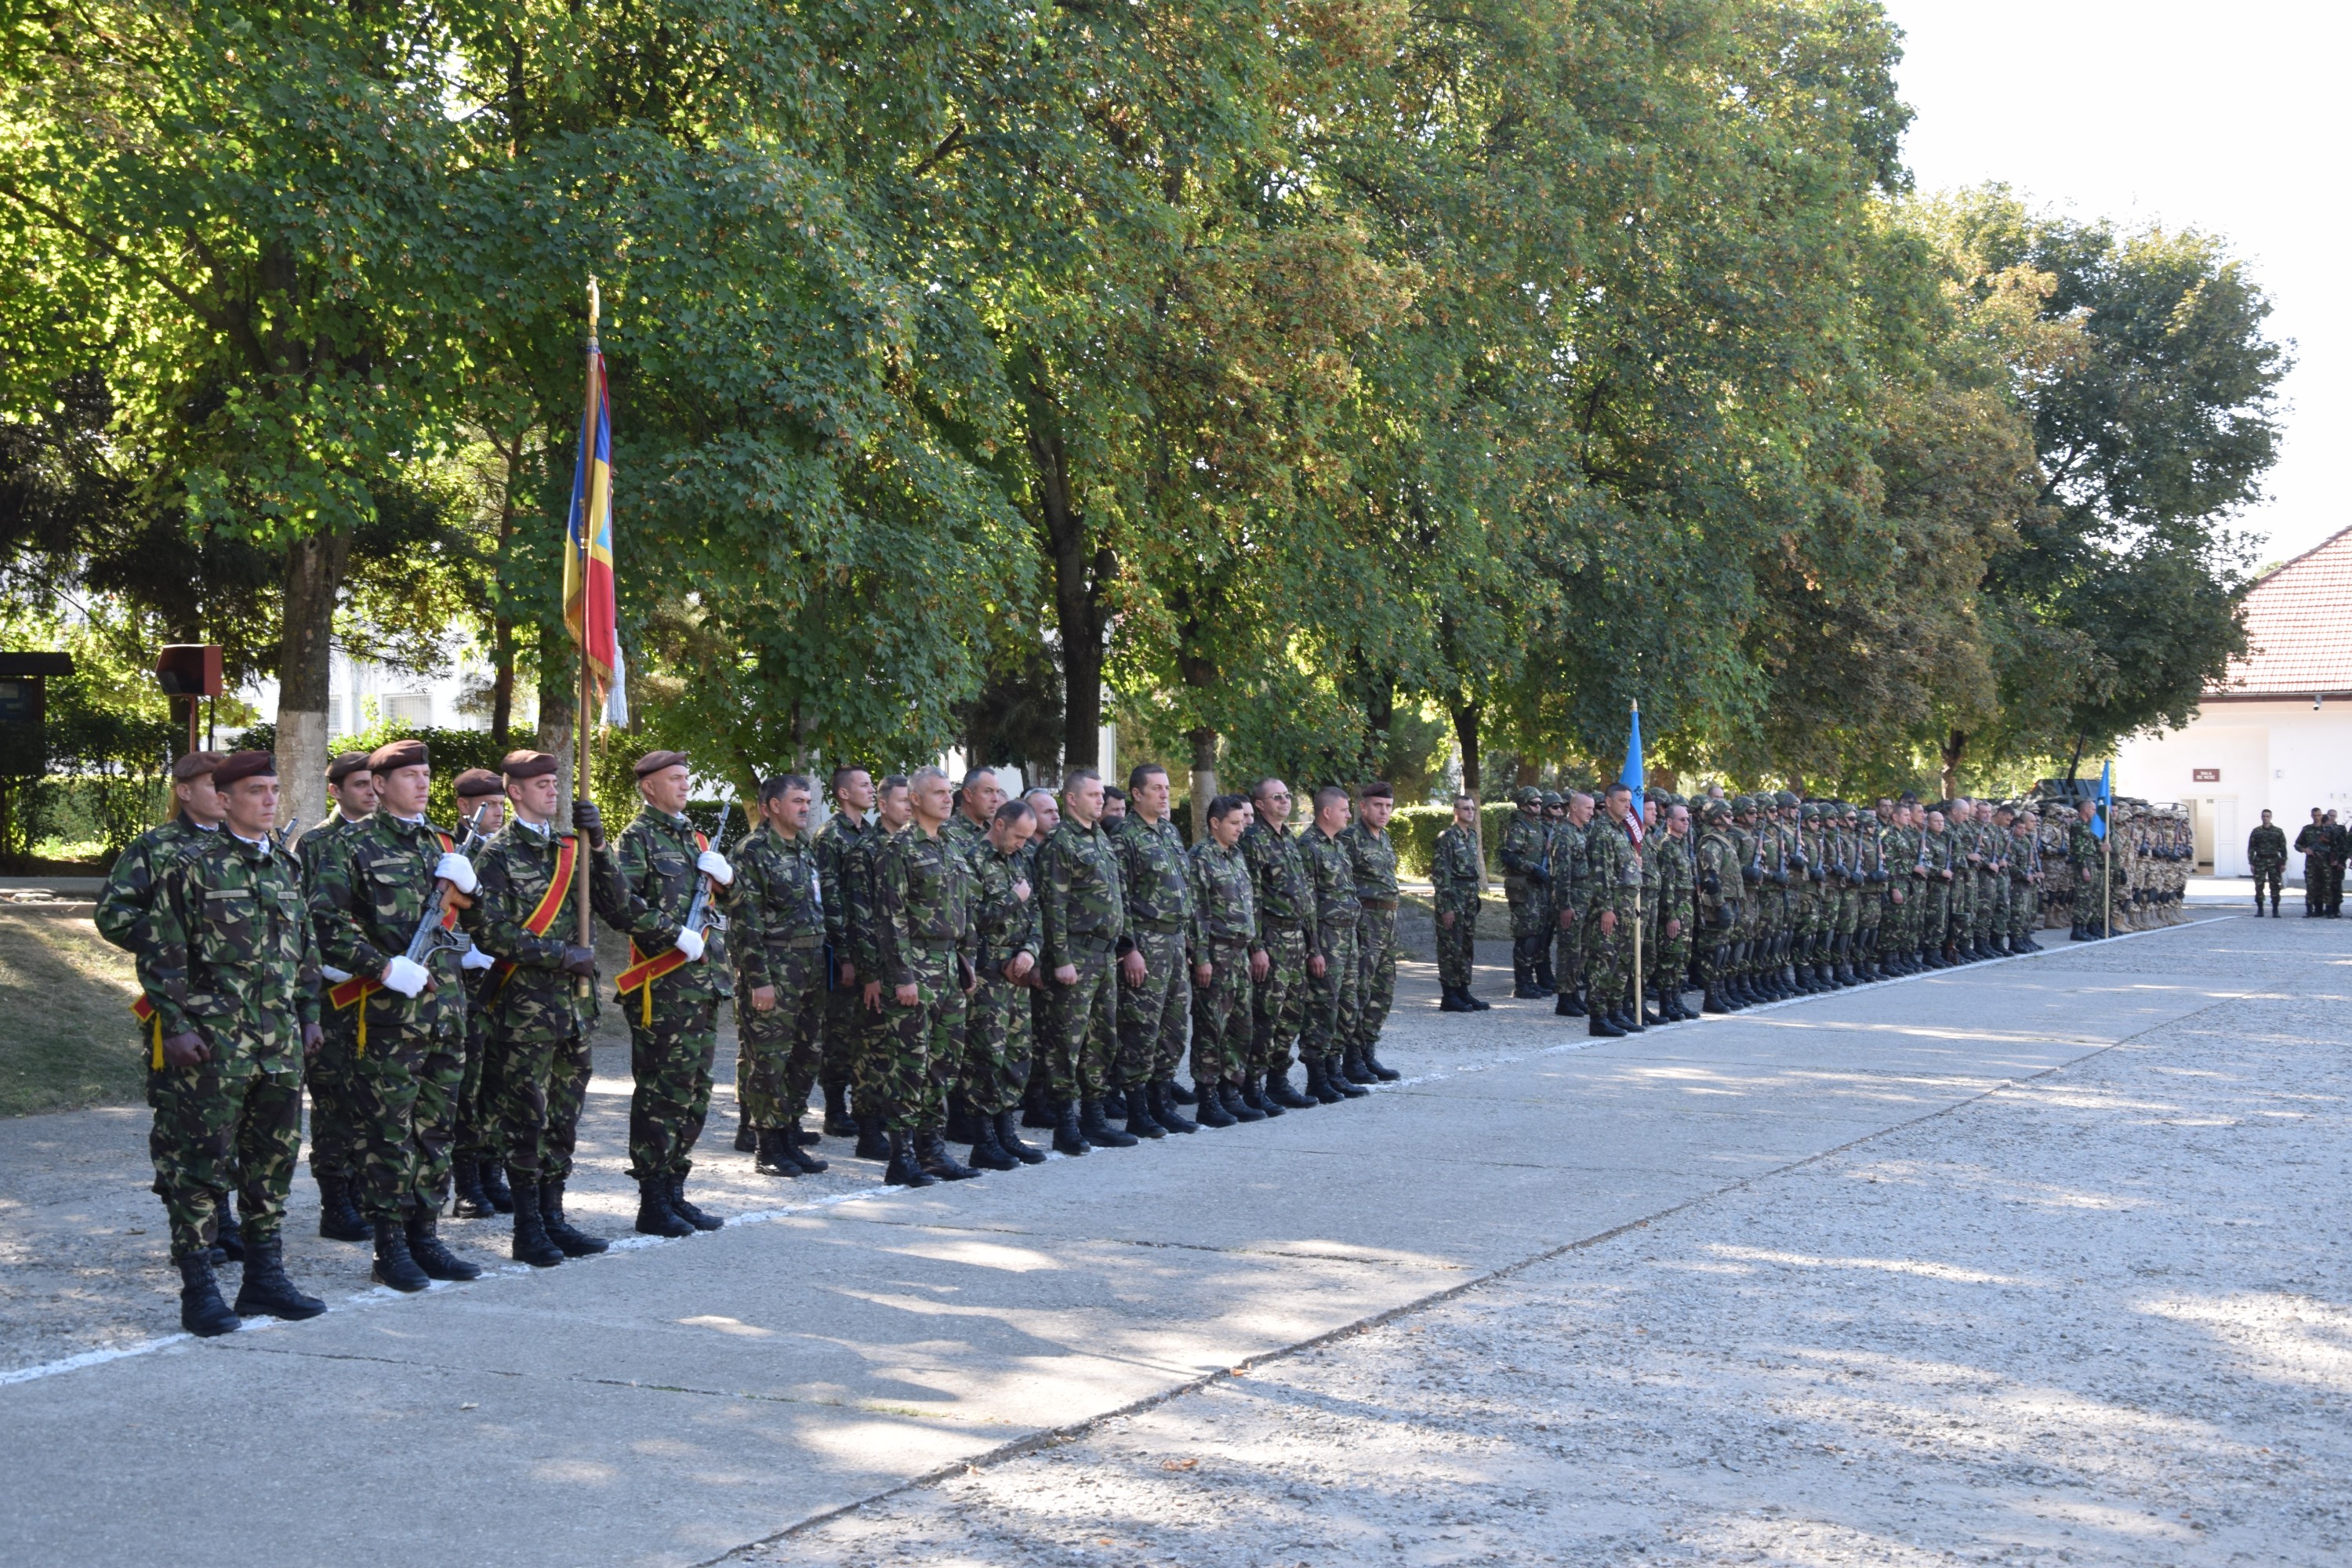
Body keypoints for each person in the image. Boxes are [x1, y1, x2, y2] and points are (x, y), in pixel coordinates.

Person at [137, 750, 327, 1336]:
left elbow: (306, 950)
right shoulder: (191, 865)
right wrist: (177, 1025)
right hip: (214, 1045)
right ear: (224, 801)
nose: (270, 799)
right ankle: (200, 1290)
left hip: (278, 1045)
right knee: (199, 1166)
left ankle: (264, 1280)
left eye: (274, 790)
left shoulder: (286, 868)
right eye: (255, 791)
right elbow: (161, 953)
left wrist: (311, 1015)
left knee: (271, 1164)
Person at [464, 750, 656, 1265]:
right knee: (525, 1121)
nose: (553, 791)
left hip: (574, 1010)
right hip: (523, 1011)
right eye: (542, 784)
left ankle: (554, 1217)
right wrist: (558, 955)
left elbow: (618, 908)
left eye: (555, 783)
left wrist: (599, 846)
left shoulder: (572, 848)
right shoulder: (498, 856)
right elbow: (488, 930)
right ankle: (527, 1228)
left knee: (563, 1123)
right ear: (516, 792)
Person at [310, 738, 483, 1291]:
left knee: (437, 1130)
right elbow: (323, 928)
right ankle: (390, 1247)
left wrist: (472, 891)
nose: (423, 783)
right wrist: (381, 968)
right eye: (409, 776)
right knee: (390, 1133)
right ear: (379, 787)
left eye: (427, 774)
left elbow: (477, 921)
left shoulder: (444, 845)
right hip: (388, 1018)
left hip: (447, 1012)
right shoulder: (351, 847)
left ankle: (425, 1236)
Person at [96, 750, 231, 1254]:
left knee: (237, 1118)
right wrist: (176, 943)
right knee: (185, 1121)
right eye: (213, 782)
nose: (223, 791)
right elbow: (113, 915)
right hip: (180, 1003)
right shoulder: (156, 847)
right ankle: (198, 1225)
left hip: (242, 1009)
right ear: (184, 791)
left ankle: (227, 1216)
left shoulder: (249, 846)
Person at [612, 750, 735, 1236]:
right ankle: (652, 1198)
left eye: (687, 777)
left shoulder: (697, 839)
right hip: (662, 987)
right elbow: (623, 906)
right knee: (661, 1094)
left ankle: (676, 1189)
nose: (685, 785)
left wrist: (728, 877)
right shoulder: (636, 840)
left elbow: (735, 902)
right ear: (649, 787)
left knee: (695, 1094)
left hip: (704, 985)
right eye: (675, 779)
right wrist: (670, 933)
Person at [871, 765, 982, 1185]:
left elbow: (964, 909)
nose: (947, 798)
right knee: (909, 1064)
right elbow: (890, 918)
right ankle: (901, 1157)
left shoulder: (951, 845)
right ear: (914, 800)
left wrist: (966, 961)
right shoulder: (899, 849)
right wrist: (902, 976)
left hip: (950, 966)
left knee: (944, 1064)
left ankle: (931, 1149)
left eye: (949, 792)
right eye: (937, 793)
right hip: (915, 965)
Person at [726, 774, 832, 1180]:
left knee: (806, 1056)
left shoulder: (804, 848)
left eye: (808, 801)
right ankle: (766, 1145)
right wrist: (758, 980)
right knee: (769, 1060)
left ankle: (789, 1135)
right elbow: (744, 923)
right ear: (771, 806)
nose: (805, 808)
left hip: (810, 967)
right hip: (774, 968)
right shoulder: (752, 852)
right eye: (797, 801)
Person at [296, 749, 377, 1242]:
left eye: (374, 783)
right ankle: (336, 1200)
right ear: (336, 791)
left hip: (386, 989)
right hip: (336, 992)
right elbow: (308, 918)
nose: (371, 791)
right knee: (336, 1099)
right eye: (360, 785)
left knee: (377, 1098)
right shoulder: (316, 844)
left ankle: (369, 1192)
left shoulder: (395, 840)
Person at [1035, 766, 1133, 1151]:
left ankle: (1094, 1116)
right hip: (1075, 954)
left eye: (1101, 796)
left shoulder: (1099, 839)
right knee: (1067, 1041)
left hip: (1104, 956)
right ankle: (1065, 1123)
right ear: (1071, 799)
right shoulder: (1061, 843)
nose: (1101, 801)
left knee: (1102, 1039)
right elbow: (1053, 906)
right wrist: (1060, 959)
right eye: (1093, 796)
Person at [1110, 764, 1201, 1138]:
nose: (1166, 794)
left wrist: (1192, 943)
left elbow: (1184, 891)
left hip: (1175, 942)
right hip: (1147, 942)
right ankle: (1137, 1110)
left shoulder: (1169, 831)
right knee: (1140, 1029)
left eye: (1167, 788)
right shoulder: (1124, 836)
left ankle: (1161, 1102)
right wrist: (1129, 949)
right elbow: (1120, 899)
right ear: (1136, 794)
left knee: (1174, 1028)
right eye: (1157, 789)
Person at [962, 798, 1047, 1167]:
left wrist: (1030, 951)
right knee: (986, 1057)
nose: (1022, 844)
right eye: (1017, 836)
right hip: (987, 976)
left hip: (1017, 974)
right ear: (998, 825)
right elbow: (969, 917)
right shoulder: (971, 860)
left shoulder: (1021, 859)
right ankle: (983, 1141)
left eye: (1028, 838)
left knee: (1016, 1055)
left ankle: (1007, 1134)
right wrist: (1013, 899)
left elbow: (1038, 913)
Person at [447, 767, 515, 1221]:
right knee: (466, 1088)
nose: (496, 812)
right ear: (463, 807)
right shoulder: (447, 851)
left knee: (499, 1082)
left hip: (504, 982)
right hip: (464, 985)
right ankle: (468, 1183)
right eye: (487, 804)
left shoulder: (507, 852)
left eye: (501, 804)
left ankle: (493, 1173)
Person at [843, 775, 914, 1160]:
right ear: (883, 805)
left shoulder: (910, 847)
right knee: (872, 1050)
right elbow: (861, 916)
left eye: (911, 801)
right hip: (878, 968)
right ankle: (869, 1130)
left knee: (903, 1050)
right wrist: (869, 972)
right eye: (902, 801)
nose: (909, 807)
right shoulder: (865, 851)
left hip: (906, 963)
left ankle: (897, 1121)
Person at [1241, 778, 1318, 1110]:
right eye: (1277, 797)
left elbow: (1305, 896)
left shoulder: (1288, 838)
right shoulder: (1253, 840)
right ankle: (1253, 1085)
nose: (1285, 801)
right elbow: (1252, 899)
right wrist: (1256, 946)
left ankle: (1278, 1081)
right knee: (1266, 1016)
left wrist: (1312, 945)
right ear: (1260, 805)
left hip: (1296, 938)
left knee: (1291, 1015)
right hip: (1271, 938)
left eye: (1288, 795)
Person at [1189, 793, 1265, 1120]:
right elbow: (1198, 913)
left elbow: (1248, 906)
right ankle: (1207, 1098)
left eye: (1242, 822)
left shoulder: (1235, 855)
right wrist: (1201, 957)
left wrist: (1253, 946)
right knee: (1211, 1028)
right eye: (1234, 823)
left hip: (1238, 954)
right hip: (1216, 954)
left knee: (1240, 1026)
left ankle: (1230, 1091)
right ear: (1215, 823)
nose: (1241, 828)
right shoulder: (1201, 857)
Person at [1296, 784, 1368, 1102]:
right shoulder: (1308, 847)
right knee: (1322, 1008)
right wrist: (1314, 949)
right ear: (1327, 812)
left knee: (1347, 1006)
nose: (1349, 814)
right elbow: (1308, 903)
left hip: (1347, 937)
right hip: (1326, 939)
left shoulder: (1338, 846)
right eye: (1344, 809)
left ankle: (1335, 1070)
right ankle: (1318, 1077)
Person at [814, 765, 876, 1137]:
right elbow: (829, 897)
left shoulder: (868, 834)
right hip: (842, 949)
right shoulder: (830, 836)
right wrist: (844, 953)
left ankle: (861, 1102)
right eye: (864, 785)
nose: (870, 790)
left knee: (862, 1032)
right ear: (843, 794)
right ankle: (834, 1109)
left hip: (867, 947)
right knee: (838, 1031)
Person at [1339, 782, 1403, 1081]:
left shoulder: (1384, 837)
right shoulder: (1350, 838)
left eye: (1388, 806)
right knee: (1359, 991)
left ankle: (1368, 1052)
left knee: (1383, 991)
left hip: (1386, 927)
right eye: (1378, 805)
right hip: (1365, 924)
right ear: (1362, 807)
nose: (1384, 811)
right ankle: (1351, 1059)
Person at [1583, 782, 1641, 1037]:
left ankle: (1616, 1012)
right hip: (1611, 906)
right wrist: (1606, 908)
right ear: (1608, 802)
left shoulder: (1621, 831)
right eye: (1622, 801)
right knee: (1603, 960)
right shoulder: (1603, 832)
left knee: (1622, 960)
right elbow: (1601, 874)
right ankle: (1598, 1017)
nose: (1628, 805)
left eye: (1629, 801)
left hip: (1626, 906)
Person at [1431, 794, 1487, 1012]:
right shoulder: (1447, 837)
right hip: (1453, 895)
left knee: (1466, 945)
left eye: (1472, 808)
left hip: (1469, 896)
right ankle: (1450, 994)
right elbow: (1441, 874)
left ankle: (1464, 990)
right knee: (1450, 946)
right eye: (1465, 809)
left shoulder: (1471, 836)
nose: (1470, 812)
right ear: (1456, 811)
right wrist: (1445, 907)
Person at [1498, 787, 1551, 998]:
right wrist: (1533, 869)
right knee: (1526, 936)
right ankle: (1522, 984)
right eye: (1533, 803)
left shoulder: (1537, 827)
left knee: (1537, 935)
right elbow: (1508, 857)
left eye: (1540, 803)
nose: (1538, 807)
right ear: (1522, 804)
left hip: (1537, 888)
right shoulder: (1518, 827)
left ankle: (1530, 980)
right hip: (1524, 887)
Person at [1551, 792, 1594, 1017]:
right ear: (1574, 808)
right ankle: (1564, 998)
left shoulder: (1582, 833)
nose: (1591, 812)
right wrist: (1565, 905)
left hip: (1585, 899)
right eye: (1587, 808)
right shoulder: (1564, 834)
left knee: (1582, 950)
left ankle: (1574, 992)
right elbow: (1561, 873)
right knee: (1569, 950)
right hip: (1572, 899)